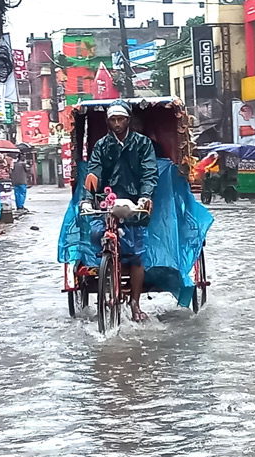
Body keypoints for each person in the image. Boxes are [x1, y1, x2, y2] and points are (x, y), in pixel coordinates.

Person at [80, 100, 157, 322]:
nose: (117, 124)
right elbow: (93, 172)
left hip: (134, 202)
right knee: (102, 238)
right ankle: (109, 280)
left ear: (128, 120)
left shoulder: (143, 144)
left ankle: (134, 303)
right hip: (107, 200)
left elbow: (149, 172)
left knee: (135, 256)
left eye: (120, 119)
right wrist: (88, 199)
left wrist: (145, 196)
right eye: (113, 120)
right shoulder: (102, 146)